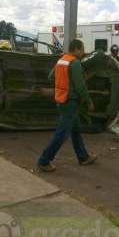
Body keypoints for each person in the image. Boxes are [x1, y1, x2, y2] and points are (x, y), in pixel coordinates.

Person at [37, 39, 97, 172]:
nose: (82, 53)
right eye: (81, 50)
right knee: (62, 134)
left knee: (75, 131)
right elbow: (80, 86)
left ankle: (83, 157)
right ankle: (44, 161)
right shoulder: (75, 63)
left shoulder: (62, 60)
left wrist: (64, 85)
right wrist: (88, 101)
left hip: (61, 100)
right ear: (76, 49)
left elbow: (51, 77)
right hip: (70, 102)